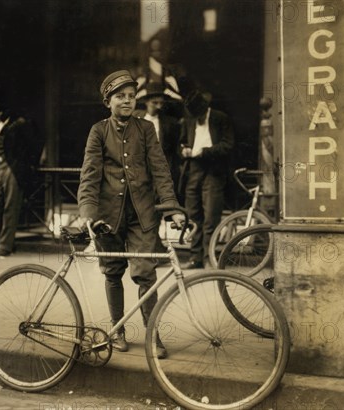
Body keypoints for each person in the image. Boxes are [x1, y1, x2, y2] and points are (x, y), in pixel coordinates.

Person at [77, 70, 185, 358]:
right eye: (119, 96)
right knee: (112, 273)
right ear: (107, 101)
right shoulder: (98, 131)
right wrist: (88, 213)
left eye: (130, 96)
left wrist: (172, 208)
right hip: (107, 217)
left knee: (145, 273)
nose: (127, 101)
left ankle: (153, 334)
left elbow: (161, 170)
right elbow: (89, 176)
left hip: (142, 215)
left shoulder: (146, 129)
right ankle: (117, 330)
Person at [180, 90, 235, 269]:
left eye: (200, 115)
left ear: (206, 109)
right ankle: (195, 258)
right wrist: (185, 150)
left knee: (211, 215)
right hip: (194, 169)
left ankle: (208, 258)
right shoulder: (189, 120)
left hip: (213, 170)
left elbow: (228, 145)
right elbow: (181, 142)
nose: (198, 119)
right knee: (193, 214)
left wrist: (204, 151)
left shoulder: (220, 118)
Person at [0, 103, 34, 258]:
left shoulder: (19, 124)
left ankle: (5, 247)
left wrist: (23, 164)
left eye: (0, 110)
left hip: (14, 169)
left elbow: (32, 145)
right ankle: (7, 243)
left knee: (10, 208)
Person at [138, 82, 182, 194]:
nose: (159, 106)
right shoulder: (135, 118)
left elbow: (175, 147)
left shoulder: (169, 122)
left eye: (161, 103)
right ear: (146, 102)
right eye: (155, 103)